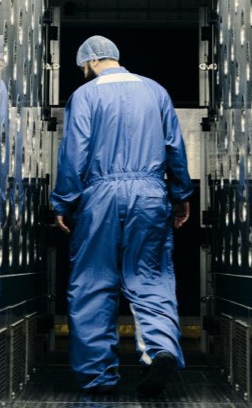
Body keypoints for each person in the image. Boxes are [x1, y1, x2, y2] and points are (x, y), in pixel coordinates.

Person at [51, 35, 194, 396]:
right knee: (151, 277)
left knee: (93, 282)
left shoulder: (85, 96)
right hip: (149, 194)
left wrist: (64, 202)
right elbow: (175, 147)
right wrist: (180, 195)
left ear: (88, 63)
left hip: (99, 196)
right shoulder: (156, 91)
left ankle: (98, 376)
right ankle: (160, 349)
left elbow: (74, 153)